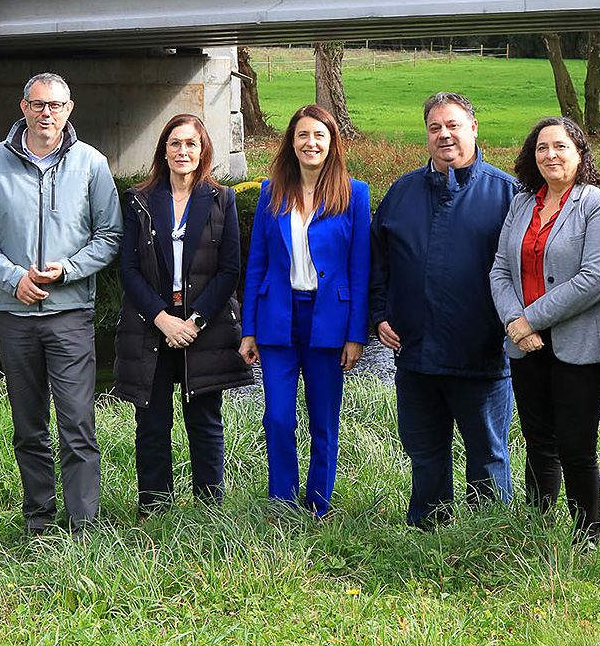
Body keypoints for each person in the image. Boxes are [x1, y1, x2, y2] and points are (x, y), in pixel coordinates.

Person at [0, 72, 121, 539]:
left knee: (77, 424)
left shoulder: (91, 163)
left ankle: (82, 527)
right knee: (28, 426)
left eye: (55, 105)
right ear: (23, 107)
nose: (46, 113)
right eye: (37, 104)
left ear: (70, 110)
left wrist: (68, 269)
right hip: (14, 316)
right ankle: (38, 522)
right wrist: (14, 280)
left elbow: (110, 236)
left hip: (71, 312)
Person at [370, 92, 520, 527]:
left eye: (453, 125)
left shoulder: (507, 193)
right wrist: (378, 314)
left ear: (474, 128)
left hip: (482, 356)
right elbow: (377, 263)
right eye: (435, 128)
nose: (444, 135)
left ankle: (488, 532)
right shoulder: (401, 193)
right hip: (415, 354)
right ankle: (427, 528)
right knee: (424, 450)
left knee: (488, 453)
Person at [488, 117, 600, 542]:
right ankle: (536, 528)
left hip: (580, 345)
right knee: (536, 441)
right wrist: (515, 323)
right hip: (525, 344)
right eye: (543, 147)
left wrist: (531, 319)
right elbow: (500, 269)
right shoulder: (522, 203)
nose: (551, 155)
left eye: (561, 146)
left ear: (579, 153)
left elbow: (595, 280)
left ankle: (588, 537)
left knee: (575, 446)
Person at [113, 114, 254, 517]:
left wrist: (194, 322)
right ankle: (154, 508)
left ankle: (209, 509)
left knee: (205, 421)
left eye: (191, 144)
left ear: (203, 149)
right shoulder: (139, 198)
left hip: (202, 327)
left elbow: (230, 270)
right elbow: (128, 269)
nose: (183, 151)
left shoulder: (221, 199)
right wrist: (161, 318)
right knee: (152, 424)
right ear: (164, 150)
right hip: (150, 324)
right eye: (175, 143)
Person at [240, 105, 371, 518]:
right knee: (278, 417)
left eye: (319, 135)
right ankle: (282, 502)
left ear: (332, 142)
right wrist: (248, 329)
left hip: (329, 320)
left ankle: (318, 504)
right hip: (277, 316)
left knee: (323, 419)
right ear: (291, 142)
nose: (310, 143)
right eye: (302, 135)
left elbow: (360, 268)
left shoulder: (355, 193)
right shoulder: (270, 192)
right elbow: (256, 262)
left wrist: (356, 334)